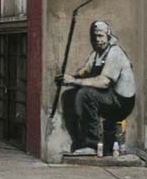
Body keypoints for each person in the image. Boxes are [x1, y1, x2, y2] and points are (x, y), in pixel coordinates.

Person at [57, 20, 136, 156]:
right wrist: (68, 78)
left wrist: (75, 81)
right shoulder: (96, 54)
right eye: (94, 36)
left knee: (85, 94)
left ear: (108, 36)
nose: (97, 40)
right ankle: (79, 142)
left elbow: (104, 82)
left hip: (121, 102)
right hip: (107, 96)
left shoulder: (115, 53)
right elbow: (84, 71)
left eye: (100, 36)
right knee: (68, 96)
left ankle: (91, 145)